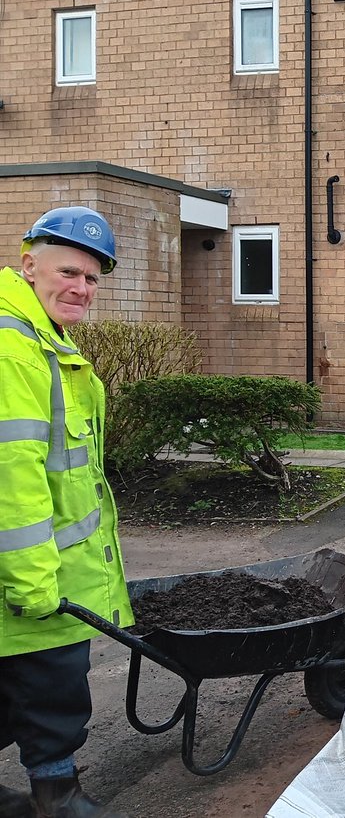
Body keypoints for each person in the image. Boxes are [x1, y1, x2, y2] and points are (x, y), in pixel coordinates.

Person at [0, 207, 131, 818]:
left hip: (44, 562)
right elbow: (13, 477)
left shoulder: (42, 338)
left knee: (19, 685)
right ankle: (57, 797)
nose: (81, 288)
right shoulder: (15, 350)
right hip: (31, 571)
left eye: (92, 278)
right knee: (52, 682)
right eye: (68, 272)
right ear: (30, 266)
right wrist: (33, 581)